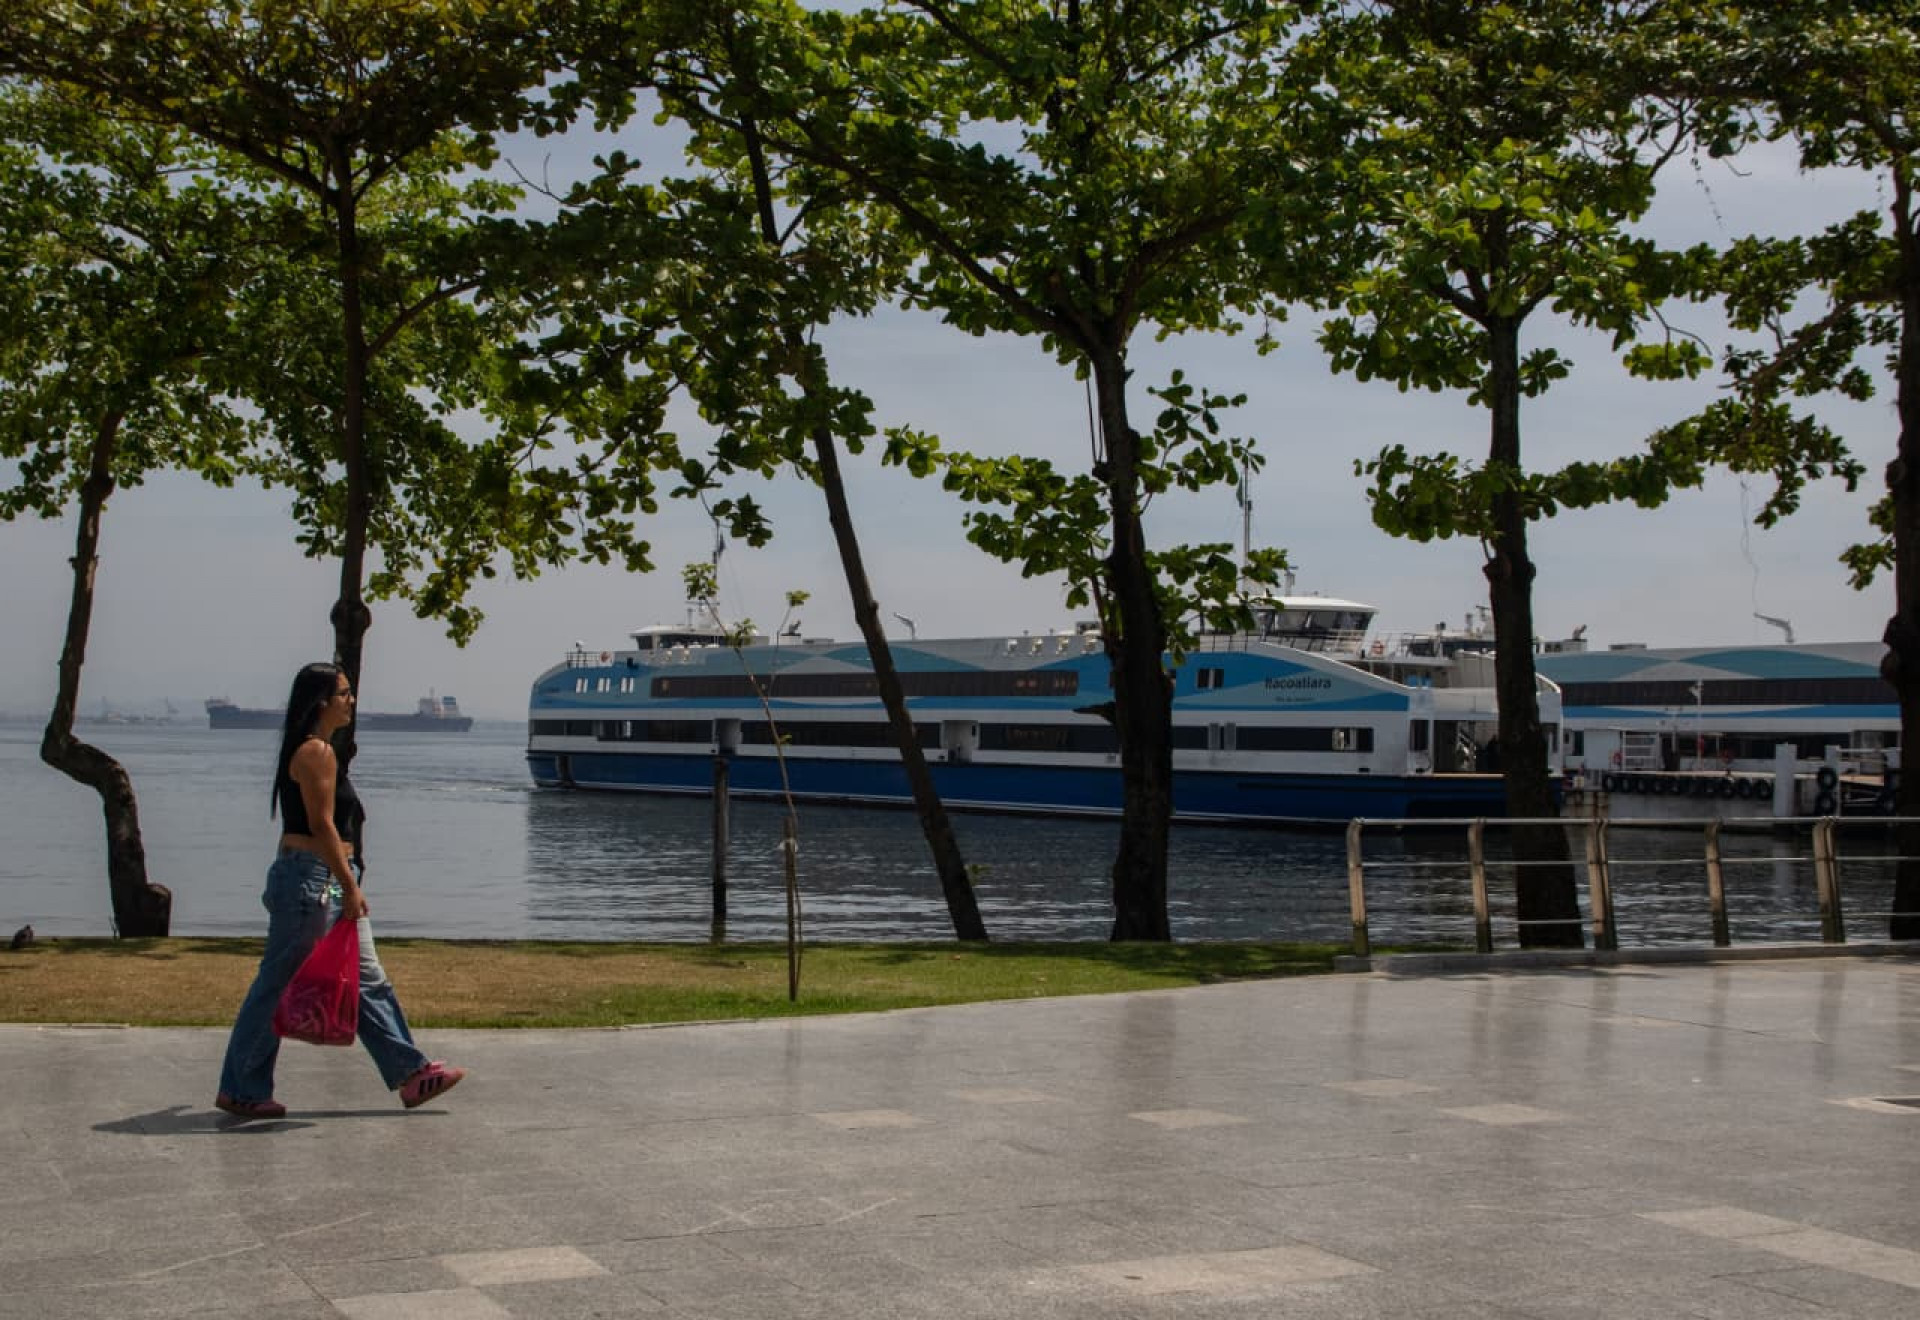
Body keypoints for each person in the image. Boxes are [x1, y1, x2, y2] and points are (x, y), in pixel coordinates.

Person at [215, 662, 464, 1119]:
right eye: (344, 693)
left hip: (323, 875)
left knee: (366, 978)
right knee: (277, 983)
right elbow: (320, 825)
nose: (351, 701)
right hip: (316, 878)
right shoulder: (315, 753)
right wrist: (348, 885)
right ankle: (241, 1087)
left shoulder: (320, 750)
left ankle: (412, 1074)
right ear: (321, 701)